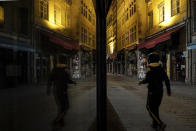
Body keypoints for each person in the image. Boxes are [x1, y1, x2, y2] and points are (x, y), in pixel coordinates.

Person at [139, 52, 171, 131]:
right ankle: (155, 124)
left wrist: (141, 82)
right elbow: (166, 80)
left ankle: (160, 123)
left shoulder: (149, 68)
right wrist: (168, 90)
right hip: (160, 91)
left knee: (149, 107)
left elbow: (147, 79)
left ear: (150, 60)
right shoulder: (161, 68)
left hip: (152, 91)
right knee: (155, 107)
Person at [47, 62, 76, 128]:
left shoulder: (56, 70)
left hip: (58, 91)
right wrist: (72, 81)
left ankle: (60, 120)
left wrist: (48, 89)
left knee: (62, 106)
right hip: (61, 91)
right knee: (65, 107)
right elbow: (66, 79)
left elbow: (50, 79)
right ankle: (57, 120)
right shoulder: (63, 70)